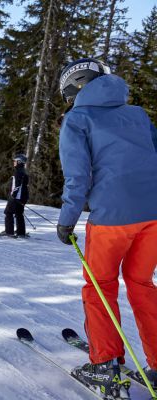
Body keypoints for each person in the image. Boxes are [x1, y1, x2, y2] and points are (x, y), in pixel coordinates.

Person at [56, 58, 157, 396]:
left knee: (99, 286)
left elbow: (78, 176)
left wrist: (67, 219)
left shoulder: (78, 119)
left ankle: (105, 366)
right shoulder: (138, 115)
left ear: (75, 87)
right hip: (153, 216)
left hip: (112, 219)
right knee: (142, 284)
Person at [0, 154, 29, 238]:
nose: (14, 162)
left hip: (16, 197)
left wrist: (13, 196)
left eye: (15, 161)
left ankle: (9, 231)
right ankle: (21, 232)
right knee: (19, 214)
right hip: (21, 197)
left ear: (19, 162)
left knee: (8, 212)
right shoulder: (23, 171)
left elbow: (17, 186)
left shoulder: (18, 172)